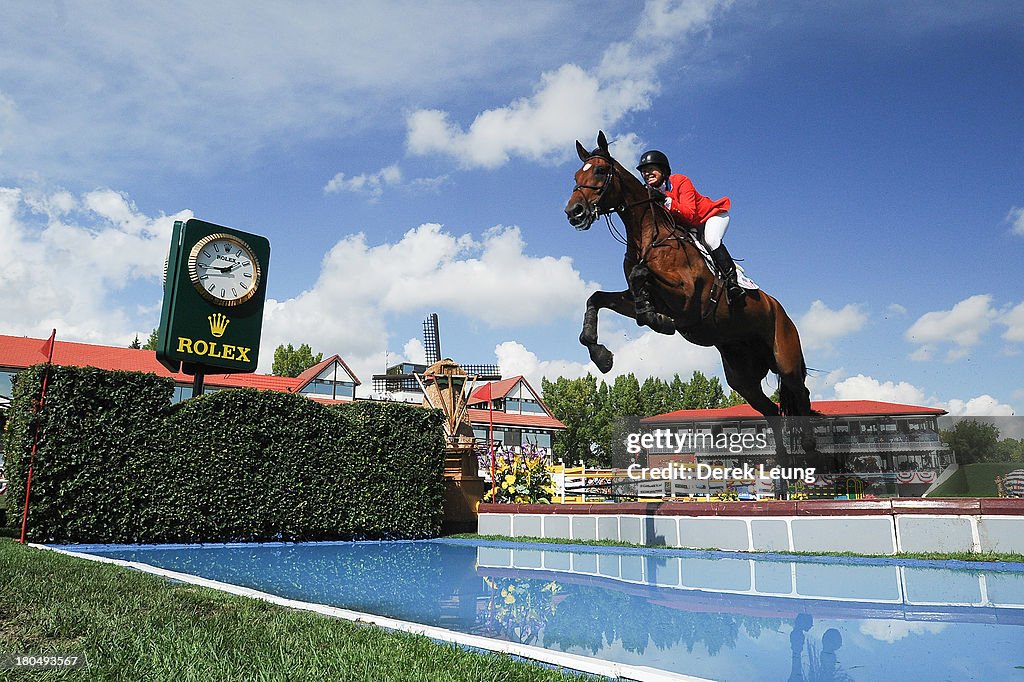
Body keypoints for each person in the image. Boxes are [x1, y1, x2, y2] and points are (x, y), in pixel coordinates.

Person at [636, 149, 745, 304]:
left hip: (709, 216)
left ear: (663, 170)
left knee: (711, 239)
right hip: (688, 227)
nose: (647, 174)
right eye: (644, 171)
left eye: (651, 169)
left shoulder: (679, 181)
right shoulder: (649, 192)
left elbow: (689, 214)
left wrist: (665, 200)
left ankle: (732, 282)